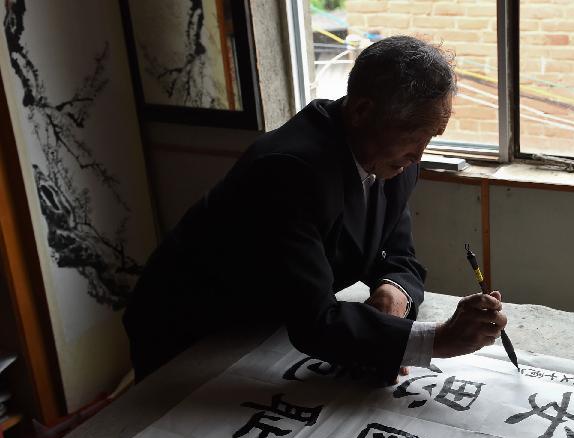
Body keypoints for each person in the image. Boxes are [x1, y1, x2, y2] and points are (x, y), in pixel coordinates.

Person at [123, 35, 507, 383]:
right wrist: (436, 340)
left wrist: (394, 292)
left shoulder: (394, 160)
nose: (420, 153)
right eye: (414, 134)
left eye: (431, 137)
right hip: (194, 324)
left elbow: (398, 253)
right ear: (361, 111)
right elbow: (314, 320)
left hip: (269, 319)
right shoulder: (288, 171)